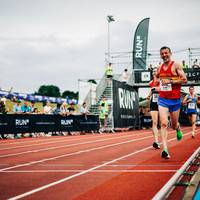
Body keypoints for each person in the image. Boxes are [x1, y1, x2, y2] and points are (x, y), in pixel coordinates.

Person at [156, 46, 187, 159]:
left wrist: (170, 81)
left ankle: (178, 128)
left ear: (170, 53)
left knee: (173, 125)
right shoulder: (159, 68)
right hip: (163, 99)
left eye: (166, 53)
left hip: (175, 100)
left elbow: (184, 79)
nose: (164, 55)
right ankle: (165, 149)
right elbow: (156, 79)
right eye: (162, 54)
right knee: (163, 123)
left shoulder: (176, 65)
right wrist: (157, 84)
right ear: (160, 55)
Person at [147, 68, 160, 149]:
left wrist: (156, 89)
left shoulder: (161, 80)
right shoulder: (151, 83)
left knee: (163, 123)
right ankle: (156, 141)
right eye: (153, 71)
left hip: (162, 102)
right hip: (154, 102)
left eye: (156, 71)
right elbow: (152, 90)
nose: (154, 72)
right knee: (154, 122)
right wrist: (149, 95)